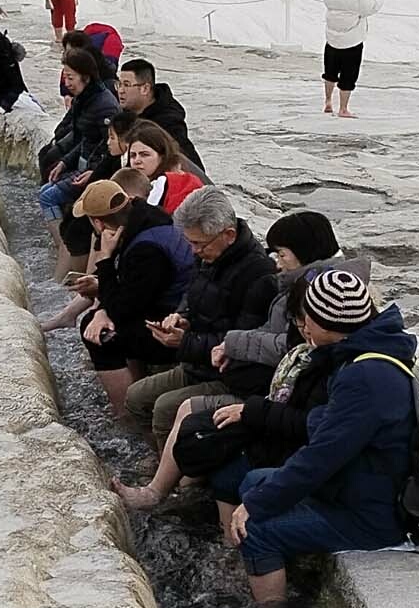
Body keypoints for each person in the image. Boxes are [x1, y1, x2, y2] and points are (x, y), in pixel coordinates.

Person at [115, 213, 365, 510]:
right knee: (150, 400)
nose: (276, 261)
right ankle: (171, 483)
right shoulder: (285, 284)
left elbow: (286, 346)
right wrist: (186, 320)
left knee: (182, 413)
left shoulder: (304, 291)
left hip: (260, 388)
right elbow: (209, 307)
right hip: (240, 375)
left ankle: (169, 490)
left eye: (282, 254)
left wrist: (220, 344)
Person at [223, 271, 417, 605]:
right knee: (254, 479)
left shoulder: (365, 376)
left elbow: (320, 459)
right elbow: (339, 429)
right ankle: (284, 572)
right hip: (358, 486)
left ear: (327, 325)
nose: (303, 327)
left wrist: (255, 506)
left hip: (371, 515)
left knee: (255, 530)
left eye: (306, 318)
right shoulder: (372, 352)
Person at [124, 188, 277, 441]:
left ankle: (173, 474)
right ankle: (161, 456)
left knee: (164, 408)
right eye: (189, 242)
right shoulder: (210, 255)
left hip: (230, 375)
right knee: (136, 397)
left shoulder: (258, 274)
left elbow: (242, 342)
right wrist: (181, 316)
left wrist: (184, 342)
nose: (193, 251)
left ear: (228, 234)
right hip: (197, 362)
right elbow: (192, 293)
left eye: (198, 244)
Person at [74, 177, 193, 415]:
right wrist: (102, 302)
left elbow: (125, 308)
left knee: (98, 334)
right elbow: (132, 292)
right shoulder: (147, 219)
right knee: (100, 319)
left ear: (98, 224)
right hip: (167, 306)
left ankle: (127, 412)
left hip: (175, 327)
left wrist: (105, 260)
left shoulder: (145, 250)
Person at [37, 48, 121, 246]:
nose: (66, 84)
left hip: (95, 171)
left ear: (86, 77)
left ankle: (63, 245)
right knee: (45, 189)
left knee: (48, 197)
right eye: (65, 77)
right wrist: (64, 163)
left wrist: (93, 171)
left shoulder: (104, 105)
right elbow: (84, 138)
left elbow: (108, 148)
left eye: (70, 78)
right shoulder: (84, 99)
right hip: (83, 165)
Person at [114, 59, 203, 170]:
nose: (120, 90)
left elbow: (181, 159)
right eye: (119, 84)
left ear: (145, 89)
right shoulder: (125, 115)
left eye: (126, 85)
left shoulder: (168, 122)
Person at [322, 0, 379, 119]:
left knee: (330, 73)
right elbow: (373, 5)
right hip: (352, 42)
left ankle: (327, 101)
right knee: (348, 76)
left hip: (332, 41)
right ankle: (343, 109)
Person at [115, 116, 202, 212]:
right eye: (132, 155)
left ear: (162, 156)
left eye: (144, 155)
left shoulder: (168, 185)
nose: (137, 160)